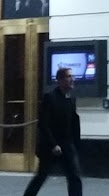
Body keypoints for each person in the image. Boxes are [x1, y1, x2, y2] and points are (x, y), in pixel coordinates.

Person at [23, 67, 83, 196]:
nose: (72, 79)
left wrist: (75, 144)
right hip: (50, 146)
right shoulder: (50, 97)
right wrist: (53, 144)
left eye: (72, 77)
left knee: (74, 176)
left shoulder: (71, 99)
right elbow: (43, 124)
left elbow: (73, 123)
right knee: (41, 176)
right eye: (68, 77)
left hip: (67, 144)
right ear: (60, 80)